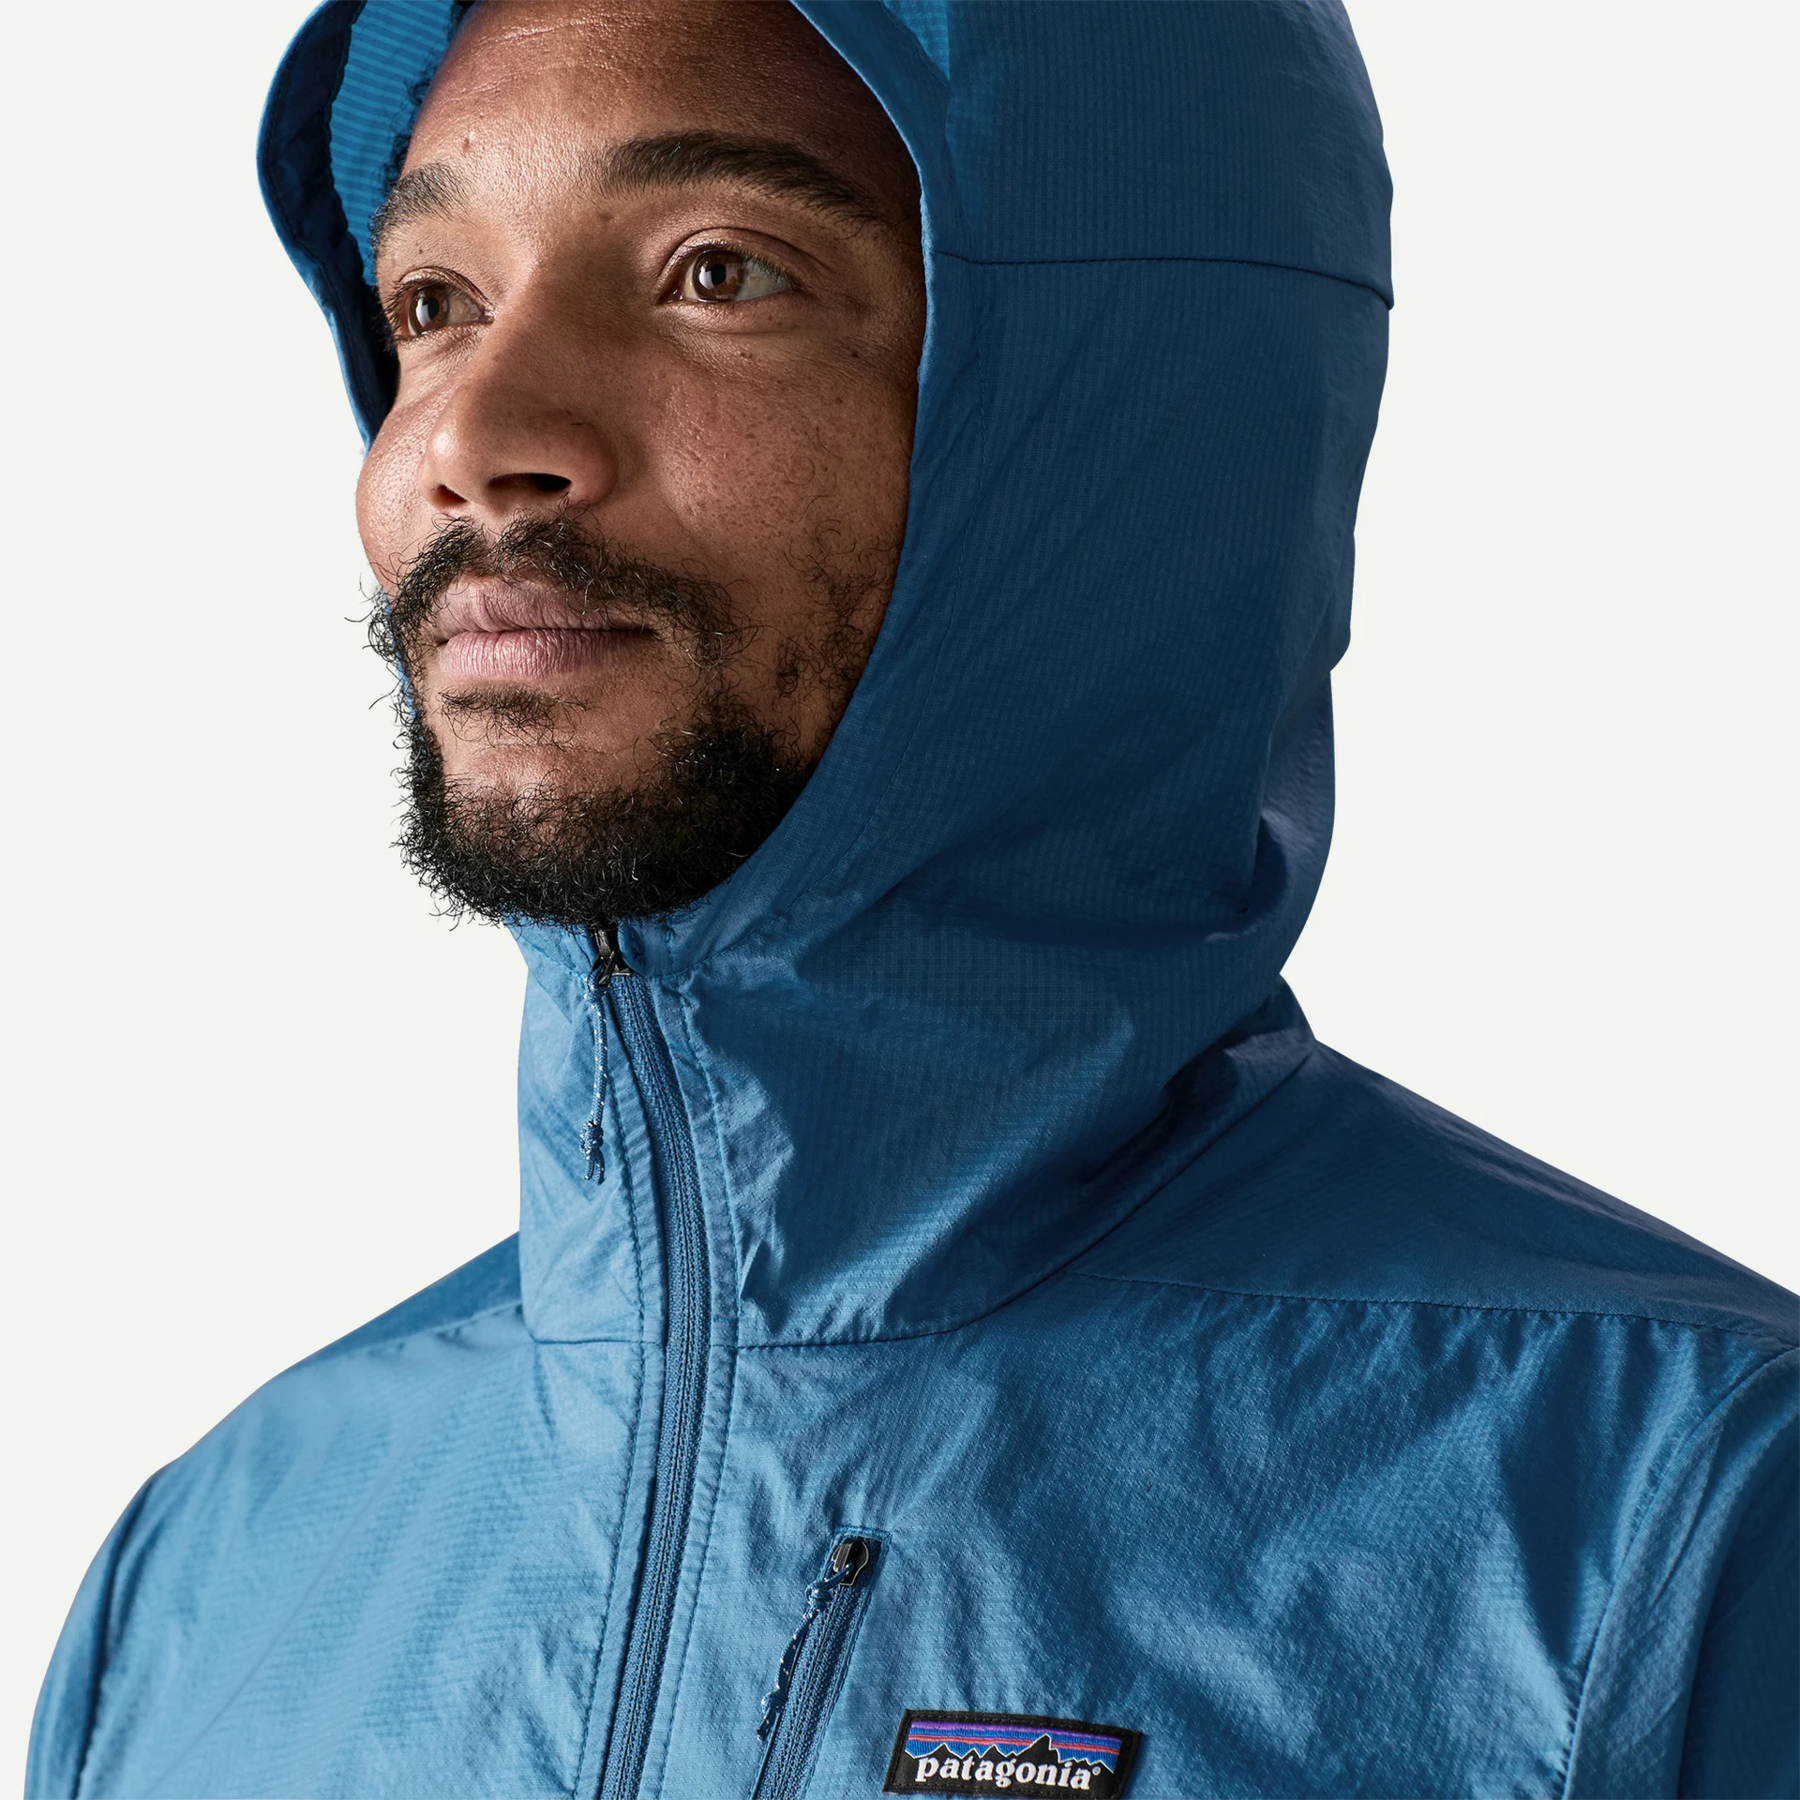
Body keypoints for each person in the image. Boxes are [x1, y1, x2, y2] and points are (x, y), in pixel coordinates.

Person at [28, 1, 1797, 1796]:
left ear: (1104, 416)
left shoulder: (1674, 1515)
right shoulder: (208, 1579)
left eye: (719, 274)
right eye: (433, 302)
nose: (474, 437)